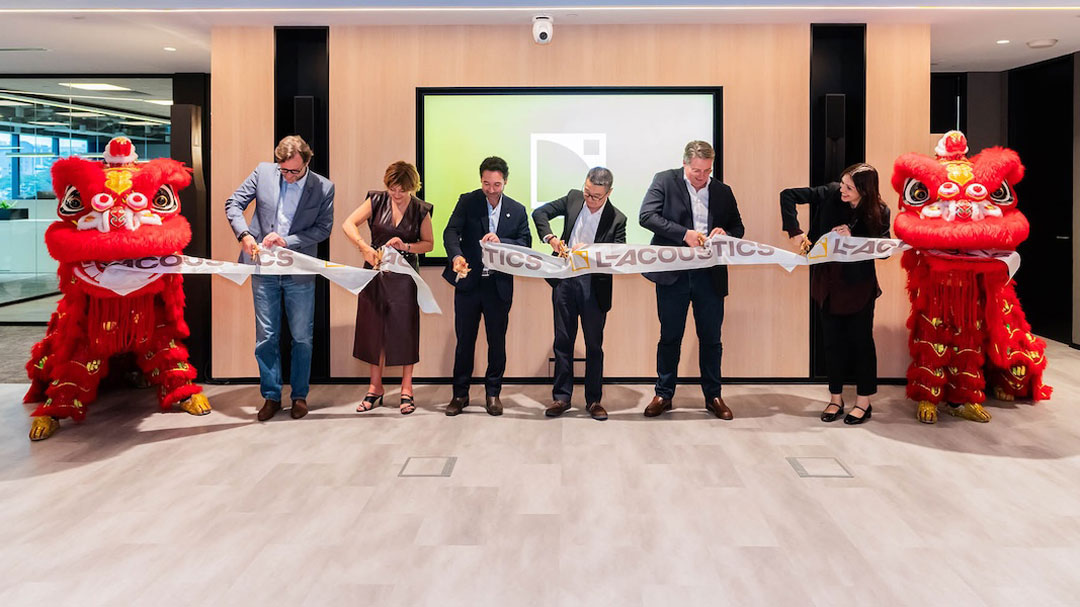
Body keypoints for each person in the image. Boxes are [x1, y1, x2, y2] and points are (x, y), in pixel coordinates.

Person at [225, 135, 335, 421]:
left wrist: (287, 240)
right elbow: (233, 203)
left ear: (307, 163)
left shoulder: (323, 187)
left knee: (302, 337)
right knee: (266, 336)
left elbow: (323, 229)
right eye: (283, 169)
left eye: (293, 171)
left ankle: (299, 396)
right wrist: (245, 235)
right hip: (264, 267)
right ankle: (271, 396)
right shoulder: (263, 172)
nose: (287, 176)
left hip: (297, 268)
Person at [639, 140, 745, 420]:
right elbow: (646, 216)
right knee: (670, 336)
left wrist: (726, 234)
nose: (702, 176)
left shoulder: (722, 191)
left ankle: (713, 395)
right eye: (697, 170)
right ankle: (664, 393)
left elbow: (738, 227)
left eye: (707, 171)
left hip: (709, 276)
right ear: (685, 163)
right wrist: (683, 234)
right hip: (673, 273)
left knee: (711, 338)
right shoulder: (665, 180)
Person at [780, 163, 891, 425]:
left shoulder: (879, 210)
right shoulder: (831, 193)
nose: (842, 189)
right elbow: (787, 195)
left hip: (858, 286)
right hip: (827, 283)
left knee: (861, 343)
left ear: (864, 190)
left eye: (849, 188)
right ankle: (835, 398)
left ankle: (864, 401)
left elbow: (884, 249)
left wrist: (854, 238)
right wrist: (795, 231)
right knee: (831, 343)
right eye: (842, 184)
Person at [532, 167, 627, 421]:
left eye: (596, 196)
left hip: (594, 286)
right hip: (564, 279)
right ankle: (561, 397)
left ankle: (594, 400)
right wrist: (550, 237)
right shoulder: (574, 198)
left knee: (594, 345)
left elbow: (618, 254)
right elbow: (539, 212)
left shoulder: (618, 218)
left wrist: (593, 250)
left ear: (609, 193)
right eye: (588, 193)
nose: (590, 200)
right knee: (563, 341)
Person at [442, 156, 532, 416]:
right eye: (486, 183)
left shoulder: (516, 209)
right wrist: (456, 255)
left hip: (498, 286)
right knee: (465, 342)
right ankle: (460, 395)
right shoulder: (468, 201)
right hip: (469, 283)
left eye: (496, 184)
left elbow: (525, 242)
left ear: (505, 182)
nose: (491, 190)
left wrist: (501, 240)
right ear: (480, 179)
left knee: (497, 342)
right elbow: (450, 232)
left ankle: (493, 393)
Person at [342, 161, 434, 415]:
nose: (396, 194)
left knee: (405, 330)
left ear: (411, 187)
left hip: (405, 279)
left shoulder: (421, 210)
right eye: (393, 188)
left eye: (402, 190)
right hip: (375, 274)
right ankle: (375, 387)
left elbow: (429, 244)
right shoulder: (376, 200)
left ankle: (407, 389)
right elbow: (348, 224)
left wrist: (406, 246)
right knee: (373, 329)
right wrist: (364, 247)